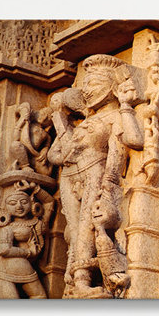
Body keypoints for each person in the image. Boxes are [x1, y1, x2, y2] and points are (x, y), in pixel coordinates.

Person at [46, 55, 143, 297]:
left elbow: (133, 141)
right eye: (85, 84)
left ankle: (84, 281)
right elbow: (55, 156)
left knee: (87, 229)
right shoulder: (82, 123)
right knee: (73, 230)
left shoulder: (114, 117)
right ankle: (72, 282)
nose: (87, 91)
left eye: (94, 84)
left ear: (112, 86)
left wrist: (126, 105)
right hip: (69, 177)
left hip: (95, 173)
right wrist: (61, 122)